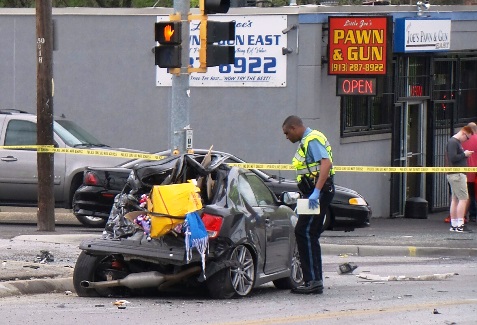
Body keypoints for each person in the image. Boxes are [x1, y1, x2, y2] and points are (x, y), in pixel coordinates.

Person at [282, 115, 335, 294]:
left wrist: (317, 192)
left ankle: (312, 281)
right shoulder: (307, 141)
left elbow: (326, 163)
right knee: (309, 232)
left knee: (304, 231)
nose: (286, 137)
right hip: (312, 193)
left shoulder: (311, 140)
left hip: (318, 192)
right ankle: (314, 280)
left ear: (295, 127)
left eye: (287, 133)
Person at [446, 125, 474, 232]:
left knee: (455, 199)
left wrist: (463, 154)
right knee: (463, 199)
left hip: (455, 174)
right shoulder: (454, 142)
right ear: (463, 133)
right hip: (457, 174)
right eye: (467, 138)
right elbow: (453, 157)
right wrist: (464, 154)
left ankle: (454, 224)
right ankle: (459, 224)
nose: (466, 140)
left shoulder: (454, 142)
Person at [462, 122, 477, 223]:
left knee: (462, 195)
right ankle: (473, 214)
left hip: (461, 171)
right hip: (474, 172)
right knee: (473, 195)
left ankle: (462, 216)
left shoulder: (461, 140)